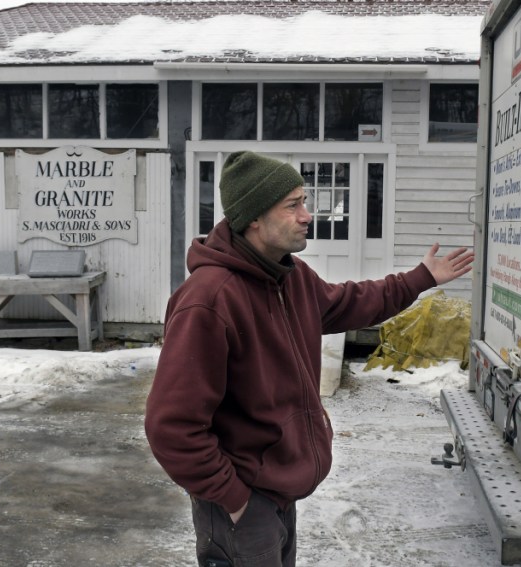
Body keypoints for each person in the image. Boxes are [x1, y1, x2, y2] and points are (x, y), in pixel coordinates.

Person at [144, 151, 474, 567]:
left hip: (277, 494)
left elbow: (352, 302)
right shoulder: (209, 299)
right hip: (243, 501)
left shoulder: (290, 276)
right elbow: (171, 426)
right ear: (253, 219)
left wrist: (420, 278)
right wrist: (234, 499)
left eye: (305, 201)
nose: (307, 215)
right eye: (293, 205)